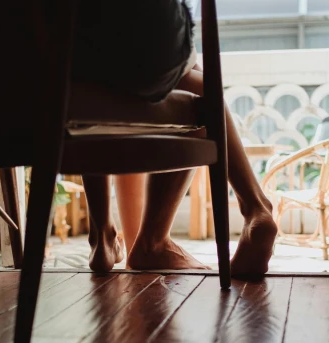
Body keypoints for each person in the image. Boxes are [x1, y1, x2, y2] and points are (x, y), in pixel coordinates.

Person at [74, 0, 277, 277]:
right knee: (202, 90)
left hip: (69, 62)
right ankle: (254, 206)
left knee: (88, 89)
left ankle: (102, 236)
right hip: (151, 36)